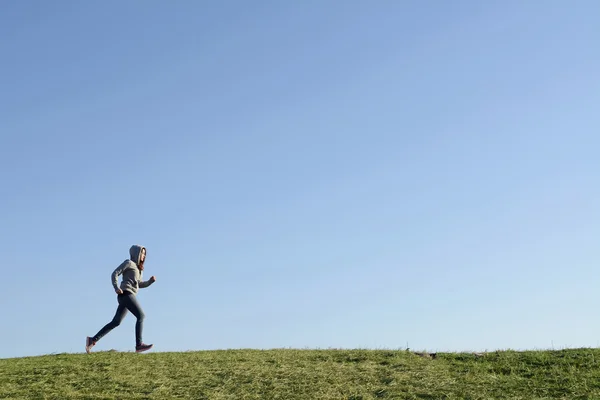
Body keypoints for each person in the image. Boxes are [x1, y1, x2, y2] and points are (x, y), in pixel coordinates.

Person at [86, 245, 157, 353]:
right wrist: (116, 287)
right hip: (126, 294)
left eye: (144, 254)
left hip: (129, 295)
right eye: (141, 253)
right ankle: (139, 345)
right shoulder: (129, 263)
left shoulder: (139, 269)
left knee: (116, 322)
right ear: (136, 253)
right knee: (141, 316)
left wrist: (149, 282)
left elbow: (139, 284)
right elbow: (115, 273)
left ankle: (92, 340)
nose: (143, 255)